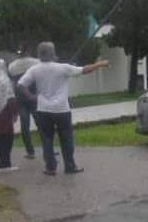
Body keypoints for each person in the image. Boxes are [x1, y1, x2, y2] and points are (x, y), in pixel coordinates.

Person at [17, 42, 109, 176]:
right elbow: (84, 70)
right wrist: (100, 64)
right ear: (51, 53)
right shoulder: (63, 68)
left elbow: (20, 85)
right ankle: (69, 166)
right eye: (53, 51)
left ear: (39, 54)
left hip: (43, 109)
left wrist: (31, 97)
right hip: (61, 109)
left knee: (46, 139)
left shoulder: (34, 69)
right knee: (66, 139)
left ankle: (50, 167)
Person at [8, 44, 40, 159]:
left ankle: (30, 151)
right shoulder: (37, 62)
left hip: (20, 99)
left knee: (24, 125)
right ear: (28, 51)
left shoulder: (12, 66)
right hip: (34, 96)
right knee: (41, 123)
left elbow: (13, 83)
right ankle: (48, 147)